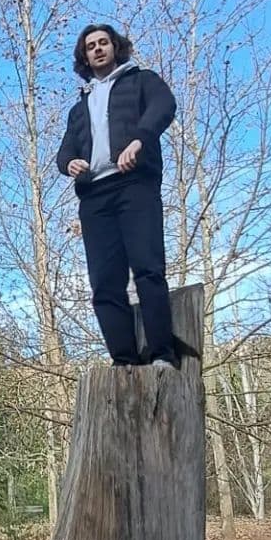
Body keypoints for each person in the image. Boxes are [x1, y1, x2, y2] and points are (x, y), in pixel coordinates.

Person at [56, 23, 179, 368]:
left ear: (115, 47)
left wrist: (140, 139)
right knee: (105, 281)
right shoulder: (80, 106)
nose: (97, 49)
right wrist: (71, 164)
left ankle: (162, 354)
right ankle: (123, 360)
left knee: (147, 268)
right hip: (95, 197)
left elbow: (164, 106)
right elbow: (64, 152)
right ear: (84, 56)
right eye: (90, 46)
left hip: (134, 185)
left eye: (103, 43)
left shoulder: (141, 81)